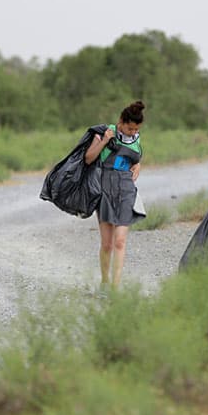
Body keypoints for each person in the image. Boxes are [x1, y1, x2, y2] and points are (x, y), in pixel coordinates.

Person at [84, 101, 147, 289]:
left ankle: (115, 288)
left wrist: (138, 165)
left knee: (120, 241)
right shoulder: (105, 132)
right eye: (129, 128)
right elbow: (89, 158)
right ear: (121, 121)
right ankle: (104, 282)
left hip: (126, 189)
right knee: (107, 244)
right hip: (105, 189)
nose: (132, 132)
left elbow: (135, 159)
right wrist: (104, 141)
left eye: (136, 129)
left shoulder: (136, 138)